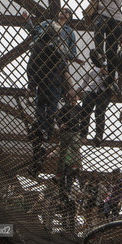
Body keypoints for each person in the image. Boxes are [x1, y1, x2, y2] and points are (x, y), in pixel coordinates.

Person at [23, 10, 75, 177]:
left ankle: (44, 130)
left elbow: (72, 53)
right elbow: (35, 32)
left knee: (50, 101)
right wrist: (28, 20)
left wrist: (63, 49)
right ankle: (41, 127)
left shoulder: (69, 32)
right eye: (63, 11)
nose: (63, 13)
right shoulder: (46, 24)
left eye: (68, 12)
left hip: (56, 61)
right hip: (44, 58)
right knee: (42, 99)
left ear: (69, 18)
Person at [79, 49, 113, 147]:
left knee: (99, 113)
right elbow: (84, 84)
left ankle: (98, 136)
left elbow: (112, 78)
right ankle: (83, 134)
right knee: (85, 111)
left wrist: (105, 72)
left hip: (103, 91)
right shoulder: (92, 70)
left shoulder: (108, 66)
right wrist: (75, 91)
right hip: (91, 90)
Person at [55, 94, 83, 189]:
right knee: (62, 154)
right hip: (66, 131)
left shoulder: (79, 108)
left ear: (78, 98)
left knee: (75, 146)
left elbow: (85, 119)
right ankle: (59, 174)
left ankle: (75, 166)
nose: (73, 99)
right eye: (72, 97)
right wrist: (61, 124)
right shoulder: (65, 108)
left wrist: (84, 133)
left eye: (75, 97)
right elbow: (58, 117)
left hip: (75, 131)